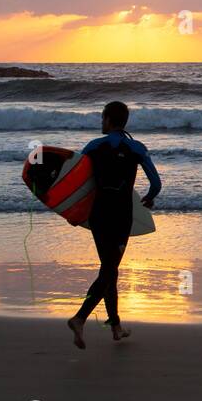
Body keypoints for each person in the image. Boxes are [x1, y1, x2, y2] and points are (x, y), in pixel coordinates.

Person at [67, 101, 161, 349]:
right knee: (109, 269)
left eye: (102, 118)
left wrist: (72, 212)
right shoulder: (136, 148)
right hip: (121, 217)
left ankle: (116, 326)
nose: (101, 122)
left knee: (109, 268)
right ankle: (79, 318)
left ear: (109, 119)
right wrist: (149, 198)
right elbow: (156, 183)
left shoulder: (92, 147)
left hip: (98, 215)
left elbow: (74, 182)